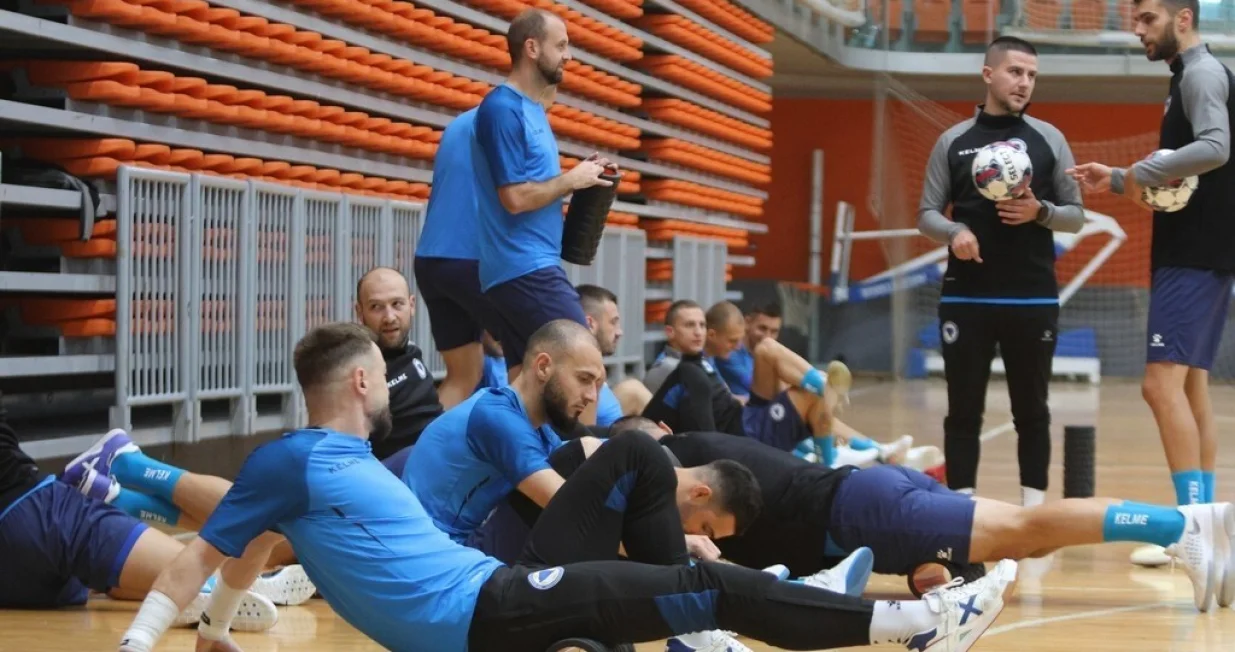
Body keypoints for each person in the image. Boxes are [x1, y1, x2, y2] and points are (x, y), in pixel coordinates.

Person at [115, 321, 1018, 652]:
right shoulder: (296, 460)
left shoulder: (323, 469)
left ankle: (748, 625)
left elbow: (239, 554)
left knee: (672, 581)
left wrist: (219, 636)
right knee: (687, 582)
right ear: (361, 384)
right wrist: (143, 642)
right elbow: (205, 554)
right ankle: (909, 625)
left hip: (497, 599)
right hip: (492, 603)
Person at [613, 419, 1234, 613]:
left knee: (1028, 528)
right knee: (1031, 539)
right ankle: (1189, 529)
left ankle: (1180, 527)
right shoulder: (699, 450)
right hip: (875, 499)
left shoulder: (678, 477)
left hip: (866, 512)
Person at [1068, 0, 1235, 576]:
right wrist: (1119, 178)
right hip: (1204, 253)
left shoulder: (1203, 73)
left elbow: (1215, 148)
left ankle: (1192, 530)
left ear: (1182, 18)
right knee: (1190, 388)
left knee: (1159, 385)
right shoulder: (1190, 76)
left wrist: (1141, 170)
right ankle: (1207, 526)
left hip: (1193, 256)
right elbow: (1180, 176)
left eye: (1146, 19)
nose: (1136, 30)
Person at [916, 36, 1085, 507]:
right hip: (966, 299)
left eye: (1031, 75)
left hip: (1032, 298)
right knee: (962, 412)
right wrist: (954, 233)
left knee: (1031, 411)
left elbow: (1076, 214)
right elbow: (926, 213)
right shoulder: (953, 141)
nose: (1024, 82)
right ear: (988, 74)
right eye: (1015, 72)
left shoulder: (1049, 140)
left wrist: (1041, 212)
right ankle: (961, 511)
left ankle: (1033, 515)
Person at [0, 395, 277, 628]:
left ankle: (123, 484)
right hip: (25, 509)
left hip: (22, 537)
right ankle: (126, 471)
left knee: (278, 535)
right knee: (279, 531)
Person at [473, 8, 615, 383]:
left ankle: (526, 445)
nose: (569, 55)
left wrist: (584, 175)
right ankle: (589, 445)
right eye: (562, 45)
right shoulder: (502, 109)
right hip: (523, 268)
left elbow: (536, 187)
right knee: (585, 362)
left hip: (528, 266)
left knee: (528, 385)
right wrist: (573, 179)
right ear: (532, 48)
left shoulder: (533, 111)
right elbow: (515, 198)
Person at [411, 107, 504, 409]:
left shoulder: (460, 124)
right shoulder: (514, 119)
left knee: (465, 372)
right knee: (546, 348)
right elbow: (520, 196)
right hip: (471, 257)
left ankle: (426, 454)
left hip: (431, 258)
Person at [352, 267, 446, 459]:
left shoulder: (410, 351)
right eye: (376, 307)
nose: (389, 317)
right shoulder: (357, 369)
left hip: (441, 454)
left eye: (397, 304)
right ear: (360, 312)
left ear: (411, 305)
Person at [576, 283, 651, 425]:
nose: (619, 332)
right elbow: (587, 440)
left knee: (633, 388)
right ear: (590, 324)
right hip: (613, 444)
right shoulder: (587, 376)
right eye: (613, 322)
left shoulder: (595, 372)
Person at [713, 301, 782, 401]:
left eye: (774, 331)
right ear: (747, 322)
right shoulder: (730, 351)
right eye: (762, 328)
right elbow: (762, 390)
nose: (768, 337)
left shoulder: (767, 353)